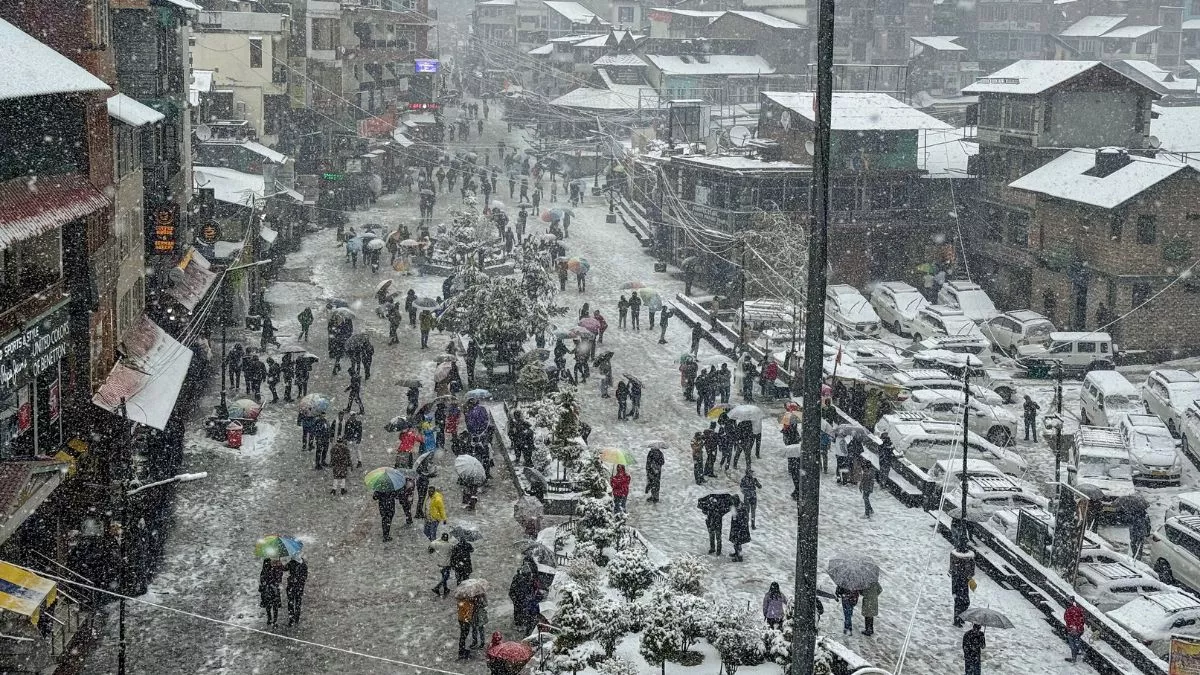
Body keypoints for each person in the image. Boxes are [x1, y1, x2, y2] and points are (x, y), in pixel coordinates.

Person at [950, 550, 976, 626]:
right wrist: (954, 592)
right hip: (959, 588)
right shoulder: (957, 573)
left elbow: (971, 572)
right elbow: (954, 581)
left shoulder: (963, 572)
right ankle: (957, 620)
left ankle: (960, 618)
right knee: (959, 603)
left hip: (964, 587)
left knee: (965, 602)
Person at [258, 559, 284, 625]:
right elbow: (278, 578)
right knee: (274, 607)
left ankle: (270, 619)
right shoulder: (273, 570)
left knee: (269, 606)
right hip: (273, 591)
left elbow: (262, 580)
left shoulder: (264, 571)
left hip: (268, 591)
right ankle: (274, 620)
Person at [285, 556, 308, 626]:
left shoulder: (293, 563)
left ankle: (292, 619)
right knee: (296, 603)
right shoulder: (302, 564)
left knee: (292, 603)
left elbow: (284, 568)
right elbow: (305, 576)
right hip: (298, 587)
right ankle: (295, 619)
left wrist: (295, 579)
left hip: (293, 586)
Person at [430, 532, 454, 596]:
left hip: (440, 563)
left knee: (443, 575)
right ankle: (437, 587)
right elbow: (453, 552)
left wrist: (438, 539)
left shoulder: (437, 543)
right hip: (447, 564)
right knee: (446, 576)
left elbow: (431, 546)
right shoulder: (450, 545)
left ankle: (445, 588)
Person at [729, 496, 751, 561]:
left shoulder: (742, 507)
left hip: (740, 528)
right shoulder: (735, 506)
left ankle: (739, 556)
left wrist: (737, 518)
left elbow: (744, 518)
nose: (732, 502)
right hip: (735, 527)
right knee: (736, 542)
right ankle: (737, 553)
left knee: (738, 542)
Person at [1064, 597, 1085, 662]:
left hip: (1073, 629)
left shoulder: (1068, 611)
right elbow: (1083, 619)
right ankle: (1081, 652)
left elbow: (1068, 620)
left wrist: (1072, 628)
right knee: (1077, 640)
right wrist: (1080, 626)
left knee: (1072, 644)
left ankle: (1074, 658)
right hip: (1080, 629)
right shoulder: (1078, 609)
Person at [457, 595, 475, 660]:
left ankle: (461, 652)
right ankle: (464, 653)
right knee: (465, 637)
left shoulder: (460, 602)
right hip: (465, 622)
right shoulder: (466, 604)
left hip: (461, 620)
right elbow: (468, 614)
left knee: (463, 637)